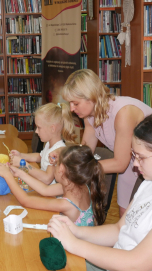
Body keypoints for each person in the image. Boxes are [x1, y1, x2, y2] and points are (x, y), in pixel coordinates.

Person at [47, 115, 152, 271]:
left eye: (141, 157)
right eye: (134, 155)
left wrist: (75, 244)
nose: (135, 164)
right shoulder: (147, 183)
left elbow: (135, 264)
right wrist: (76, 231)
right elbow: (119, 229)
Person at [57, 69, 152, 216]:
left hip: (144, 161)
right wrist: (66, 159)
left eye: (75, 103)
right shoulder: (89, 115)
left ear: (91, 97)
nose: (71, 108)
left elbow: (120, 163)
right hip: (134, 162)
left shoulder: (123, 113)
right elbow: (85, 152)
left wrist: (79, 169)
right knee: (125, 215)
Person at [0, 145, 106, 226]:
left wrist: (8, 176)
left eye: (55, 165)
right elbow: (45, 190)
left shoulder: (66, 204)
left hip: (76, 253)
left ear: (61, 169)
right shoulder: (79, 185)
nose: (53, 167)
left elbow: (26, 201)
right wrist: (20, 173)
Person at [10, 102, 75, 185]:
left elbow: (47, 178)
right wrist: (21, 155)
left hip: (51, 195)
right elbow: (40, 156)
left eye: (39, 127)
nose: (36, 131)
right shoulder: (50, 143)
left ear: (52, 129)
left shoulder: (57, 152)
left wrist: (23, 164)